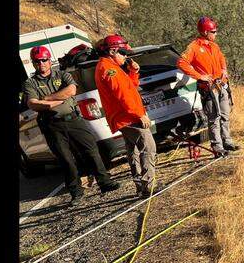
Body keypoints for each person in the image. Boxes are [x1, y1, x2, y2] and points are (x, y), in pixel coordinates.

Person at [22, 45, 120, 202]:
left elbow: (71, 91)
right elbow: (33, 104)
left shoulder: (63, 74)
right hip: (52, 125)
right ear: (33, 63)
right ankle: (76, 192)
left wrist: (46, 98)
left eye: (44, 60)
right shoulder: (30, 83)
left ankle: (105, 182)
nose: (41, 64)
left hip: (74, 120)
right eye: (37, 61)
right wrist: (57, 99)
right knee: (66, 159)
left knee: (91, 151)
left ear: (49, 60)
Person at [93, 35, 156, 199]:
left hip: (125, 116)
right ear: (112, 51)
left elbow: (131, 87)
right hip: (128, 117)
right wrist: (139, 114)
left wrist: (134, 71)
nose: (126, 56)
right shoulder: (109, 69)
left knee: (133, 150)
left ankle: (141, 186)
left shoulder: (111, 66)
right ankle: (147, 185)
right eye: (123, 52)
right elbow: (123, 95)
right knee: (148, 147)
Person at [177, 16, 240, 157]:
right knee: (214, 117)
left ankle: (227, 141)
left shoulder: (214, 46)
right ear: (205, 32)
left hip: (221, 84)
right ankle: (217, 147)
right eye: (214, 31)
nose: (216, 34)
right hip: (209, 88)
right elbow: (181, 62)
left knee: (225, 115)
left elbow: (221, 58)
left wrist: (224, 69)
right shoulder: (194, 47)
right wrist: (199, 77)